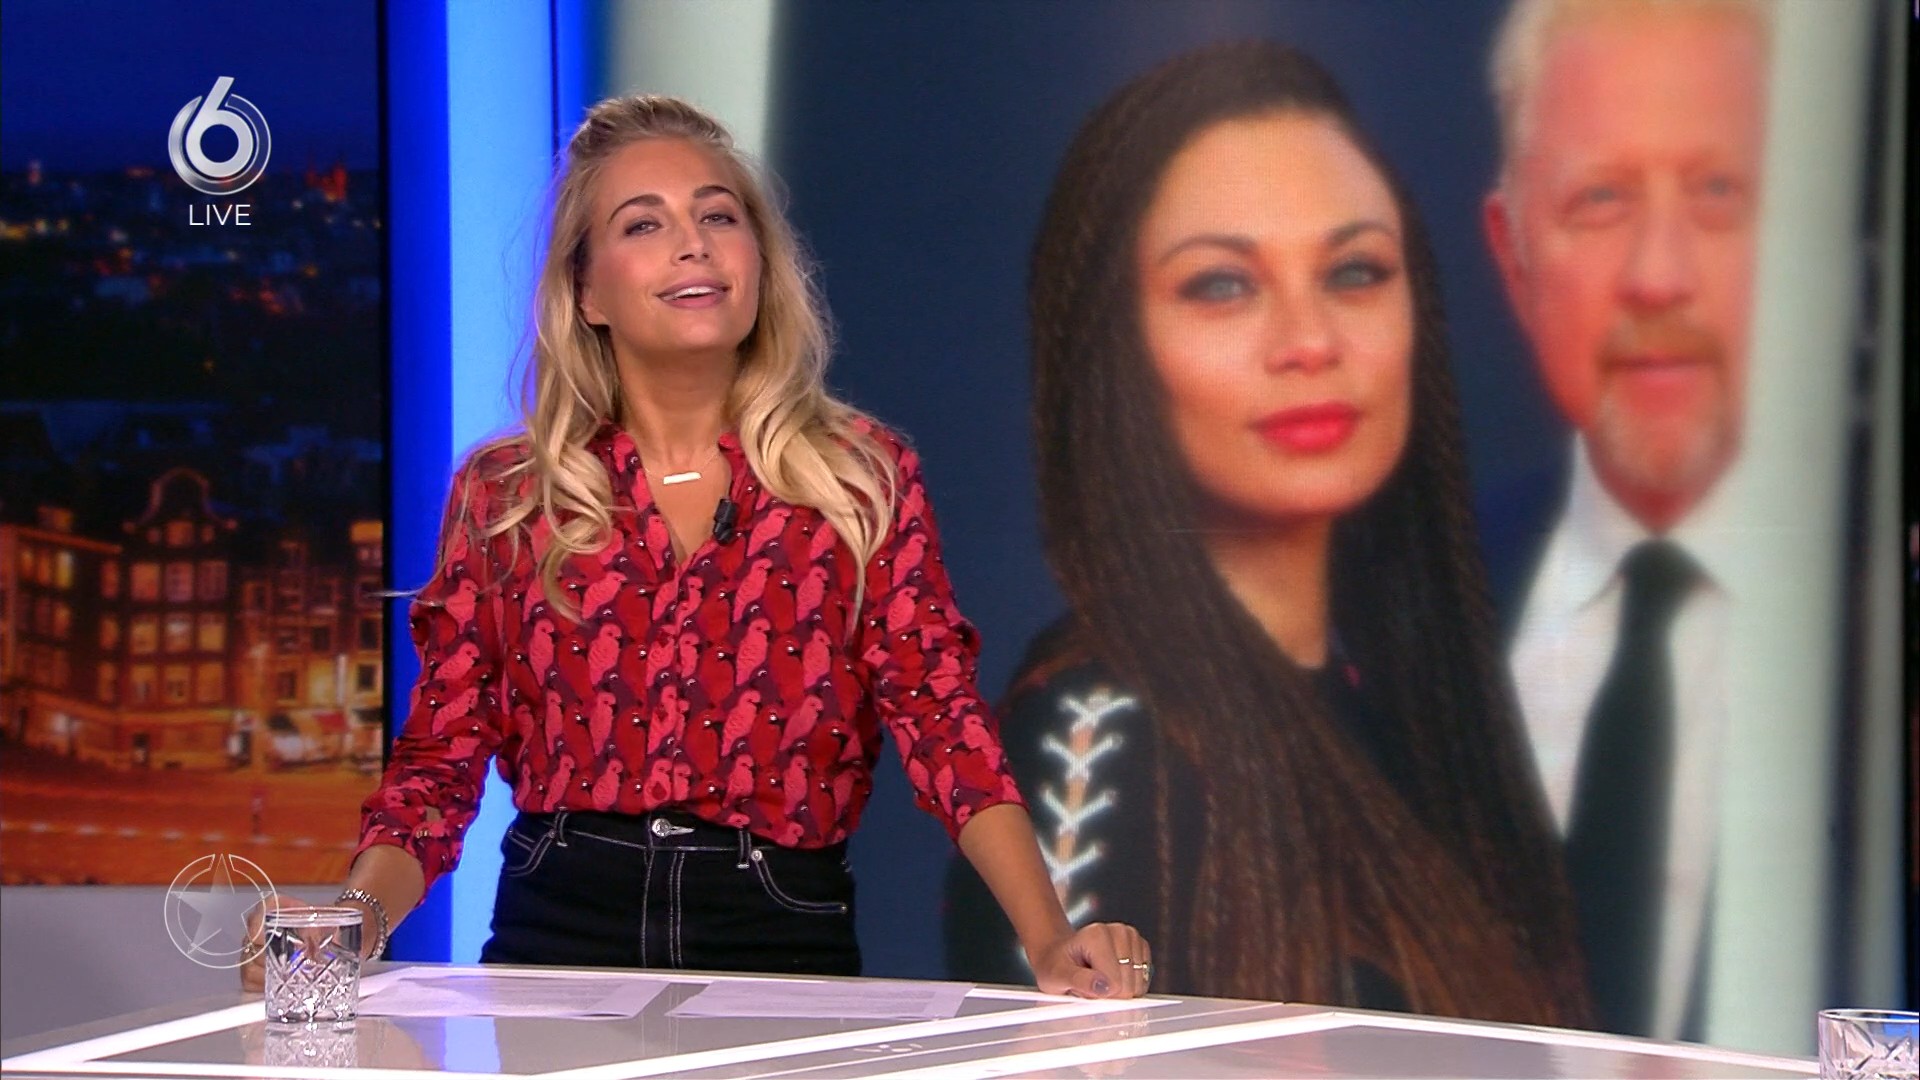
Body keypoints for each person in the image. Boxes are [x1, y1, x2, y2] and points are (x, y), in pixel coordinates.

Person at [243, 94, 1148, 998]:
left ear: (760, 262)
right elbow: (440, 762)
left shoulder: (859, 479)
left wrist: (1048, 938)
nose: (694, 245)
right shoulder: (508, 495)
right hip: (559, 926)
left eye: (719, 216)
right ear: (587, 291)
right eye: (645, 224)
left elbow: (942, 723)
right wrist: (351, 924)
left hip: (779, 928)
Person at [945, 41, 1589, 1028]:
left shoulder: (1420, 721)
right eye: (1222, 285)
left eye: (1355, 272)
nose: (1310, 342)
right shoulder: (1095, 735)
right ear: (1115, 345)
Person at [1477, 0, 1768, 1039]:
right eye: (1600, 199)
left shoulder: (1879, 623)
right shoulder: (1405, 605)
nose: (1658, 276)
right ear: (1516, 258)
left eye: (1719, 193)